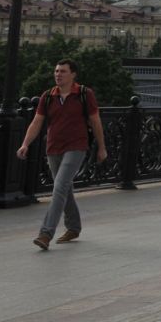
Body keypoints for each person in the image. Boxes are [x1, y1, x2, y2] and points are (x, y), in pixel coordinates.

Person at [17, 58, 107, 250]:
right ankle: (74, 227)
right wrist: (25, 143)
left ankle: (45, 233)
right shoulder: (48, 96)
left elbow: (95, 121)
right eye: (56, 71)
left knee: (59, 186)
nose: (58, 74)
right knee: (64, 188)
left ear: (73, 74)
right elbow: (37, 122)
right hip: (53, 147)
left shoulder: (84, 94)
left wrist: (102, 147)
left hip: (76, 146)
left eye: (63, 71)